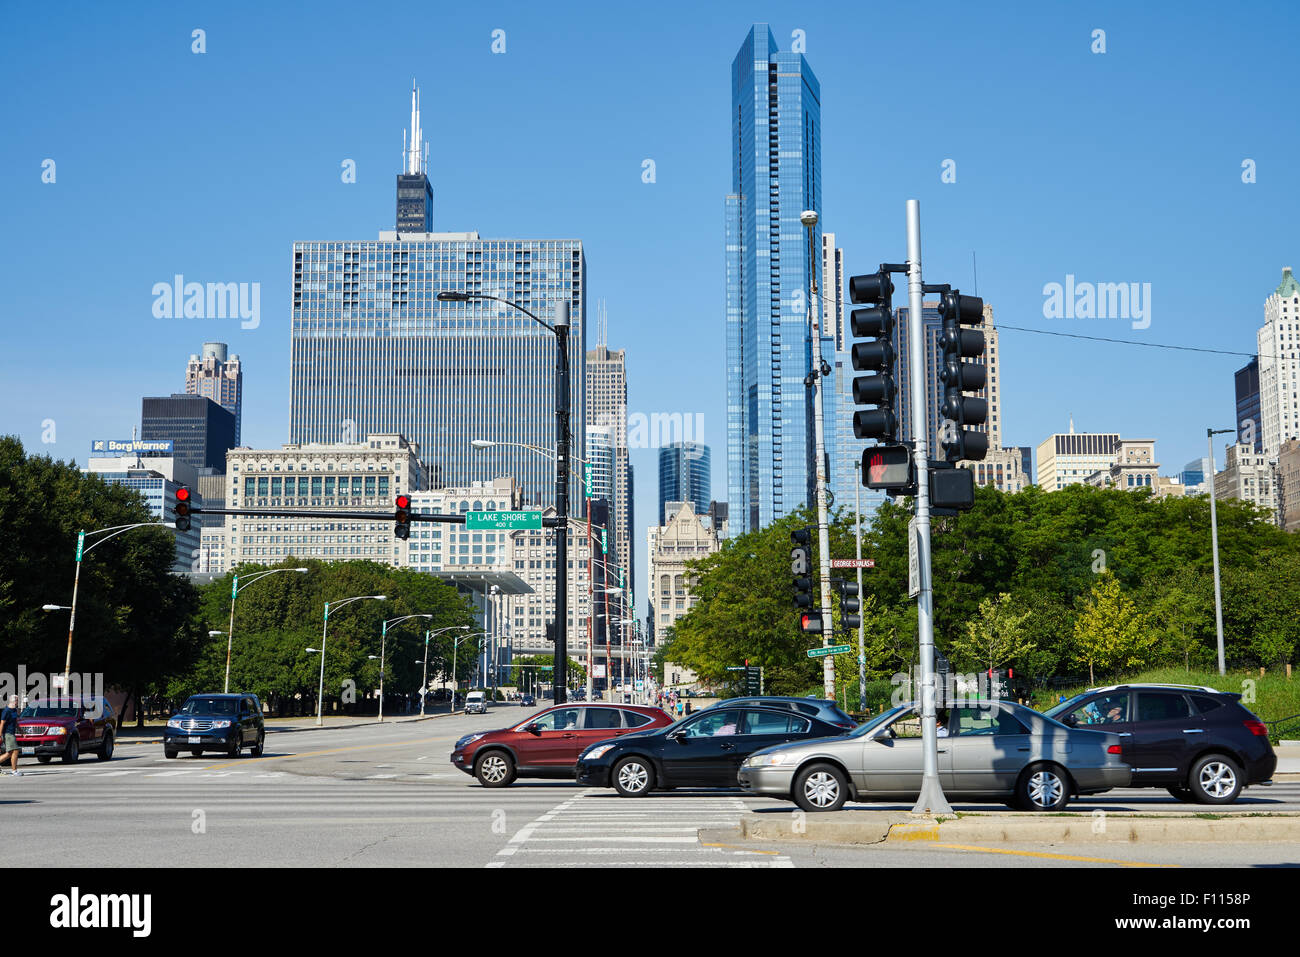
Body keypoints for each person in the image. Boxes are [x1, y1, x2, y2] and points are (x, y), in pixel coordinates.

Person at [0, 694, 22, 776]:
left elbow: (15, 721)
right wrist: (0, 735)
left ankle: (14, 770)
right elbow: (2, 723)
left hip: (12, 733)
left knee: (9, 753)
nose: (17, 702)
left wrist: (21, 731)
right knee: (15, 751)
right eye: (17, 700)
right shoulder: (6, 711)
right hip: (8, 734)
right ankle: (14, 771)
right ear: (13, 701)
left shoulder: (14, 710)